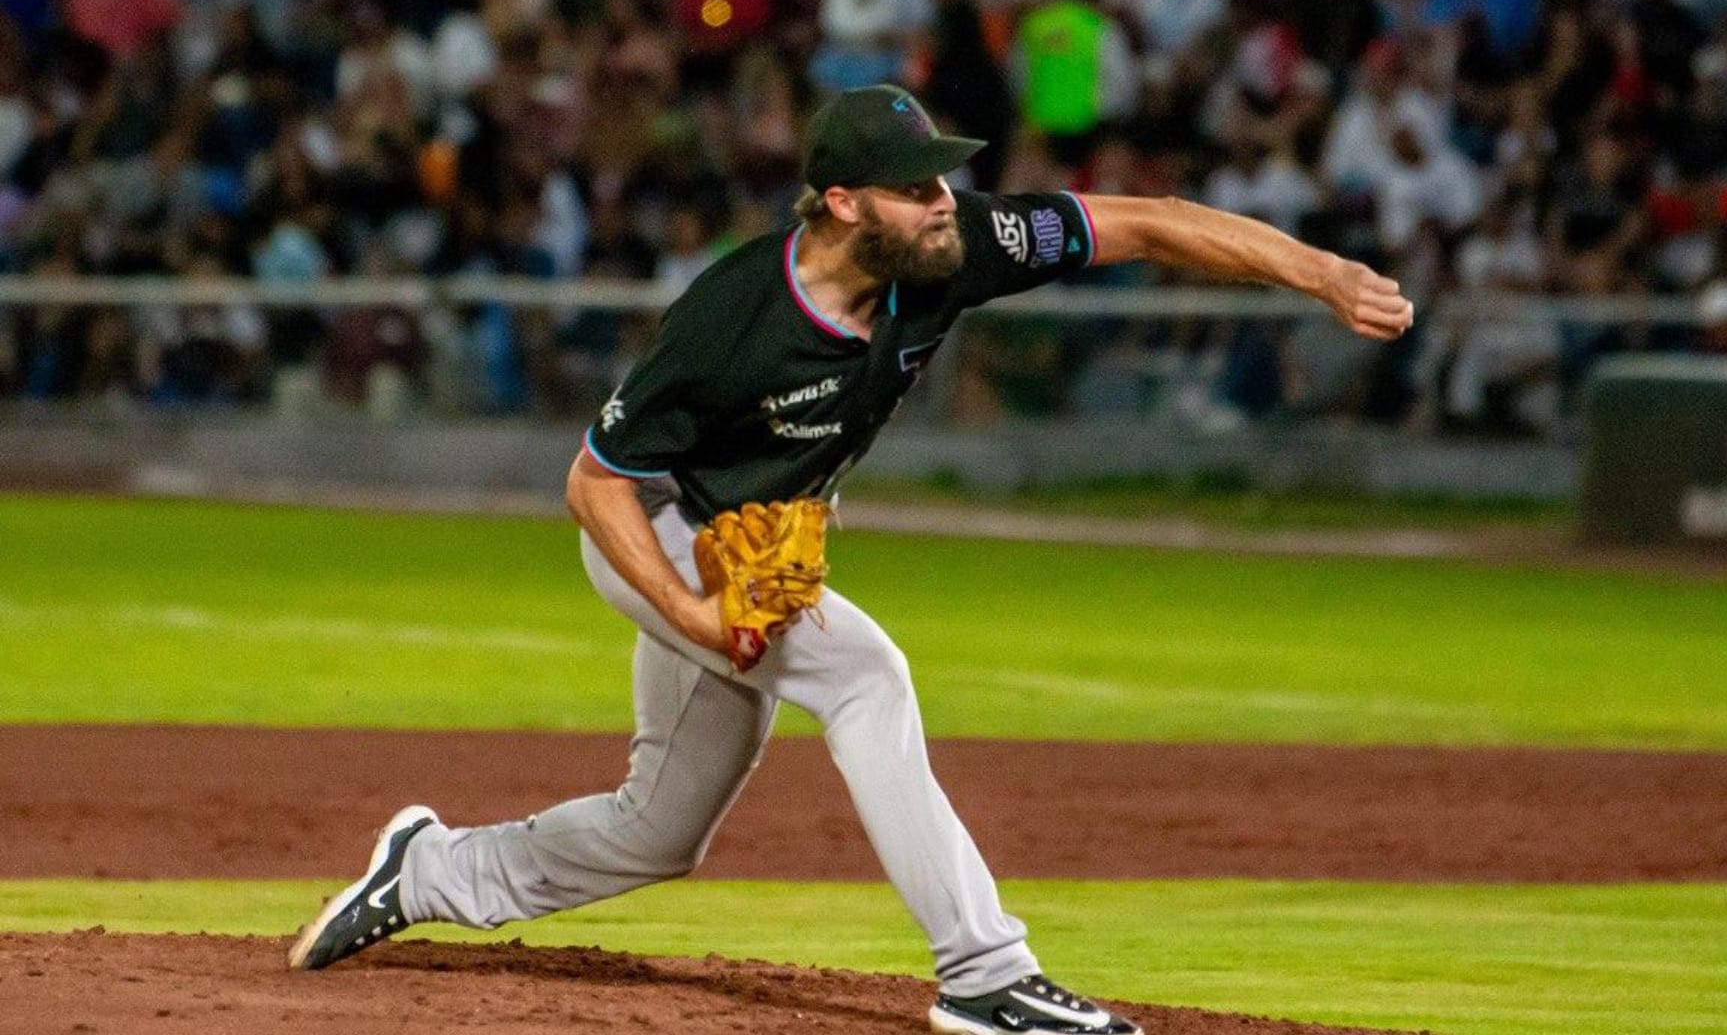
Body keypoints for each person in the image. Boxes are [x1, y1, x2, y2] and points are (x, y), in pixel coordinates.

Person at [286, 84, 1413, 1035]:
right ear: (840, 202)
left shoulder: (949, 253)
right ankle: (987, 978)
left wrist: (1320, 275)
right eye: (917, 187)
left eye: (943, 182)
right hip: (664, 534)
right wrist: (688, 612)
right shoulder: (730, 320)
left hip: (755, 541)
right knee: (867, 679)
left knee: (658, 832)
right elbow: (593, 485)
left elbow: (1152, 222)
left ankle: (430, 871)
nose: (945, 203)